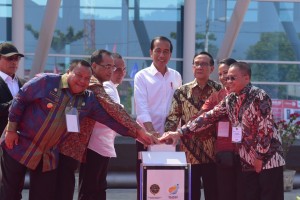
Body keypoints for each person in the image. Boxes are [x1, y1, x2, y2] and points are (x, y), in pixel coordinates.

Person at [0, 59, 152, 200]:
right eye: (79, 75)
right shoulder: (46, 81)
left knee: (42, 196)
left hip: (47, 154)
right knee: (10, 193)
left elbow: (110, 120)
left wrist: (136, 133)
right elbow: (20, 99)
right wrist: (11, 130)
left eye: (87, 79)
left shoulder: (88, 99)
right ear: (68, 72)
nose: (82, 81)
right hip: (19, 143)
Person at [160, 62, 285, 200]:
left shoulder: (259, 96)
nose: (228, 81)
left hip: (269, 158)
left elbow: (265, 129)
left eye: (233, 78)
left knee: (270, 196)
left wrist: (260, 158)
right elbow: (207, 117)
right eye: (227, 78)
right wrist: (179, 132)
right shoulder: (230, 99)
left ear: (246, 78)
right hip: (247, 160)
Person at [56, 51, 157, 200]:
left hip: (79, 147)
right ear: (94, 66)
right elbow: (114, 110)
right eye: (108, 66)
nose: (111, 70)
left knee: (92, 189)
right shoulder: (94, 86)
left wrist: (138, 133)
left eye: (113, 67)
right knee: (74, 190)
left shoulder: (99, 88)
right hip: (72, 145)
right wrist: (140, 131)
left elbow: (110, 119)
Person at [164, 51, 221, 200]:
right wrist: (167, 135)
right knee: (190, 194)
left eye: (204, 64)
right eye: (196, 63)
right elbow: (173, 117)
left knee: (213, 193)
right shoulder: (182, 91)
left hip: (213, 153)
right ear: (192, 67)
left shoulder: (220, 91)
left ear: (212, 68)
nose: (200, 67)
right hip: (188, 152)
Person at [134, 36, 182, 199]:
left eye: (166, 51)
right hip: (146, 138)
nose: (162, 55)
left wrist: (173, 133)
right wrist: (151, 133)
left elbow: (178, 107)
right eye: (158, 51)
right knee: (146, 182)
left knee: (170, 183)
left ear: (170, 55)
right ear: (151, 53)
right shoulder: (141, 76)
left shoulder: (176, 76)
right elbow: (142, 108)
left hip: (170, 139)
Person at [78, 52, 127, 200]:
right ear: (94, 66)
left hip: (102, 145)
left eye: (120, 69)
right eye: (111, 67)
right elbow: (118, 113)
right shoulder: (101, 86)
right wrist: (141, 133)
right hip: (93, 145)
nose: (116, 72)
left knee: (99, 188)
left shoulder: (112, 87)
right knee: (90, 189)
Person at [200, 58, 244, 200]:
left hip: (245, 153)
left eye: (226, 73)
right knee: (225, 192)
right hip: (224, 152)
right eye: (220, 74)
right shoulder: (216, 97)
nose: (223, 77)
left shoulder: (249, 95)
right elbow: (201, 118)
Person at [0, 42, 25, 136]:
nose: (14, 62)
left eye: (17, 58)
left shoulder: (25, 84)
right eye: (10, 58)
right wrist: (17, 102)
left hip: (20, 142)